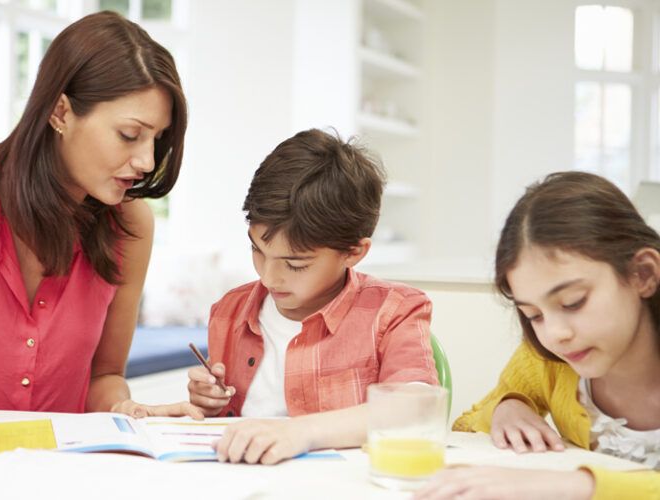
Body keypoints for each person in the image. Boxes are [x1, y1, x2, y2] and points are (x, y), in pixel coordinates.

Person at [0, 11, 203, 452]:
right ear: (61, 111)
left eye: (157, 139)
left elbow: (104, 377)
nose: (147, 162)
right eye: (130, 134)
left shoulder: (130, 227)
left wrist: (127, 412)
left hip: (64, 475)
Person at [187, 128, 438, 464]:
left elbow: (416, 408)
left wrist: (301, 432)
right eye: (257, 250)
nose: (268, 276)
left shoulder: (394, 311)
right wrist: (209, 401)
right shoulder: (229, 311)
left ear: (353, 253)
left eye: (295, 264)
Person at [416, 172, 660, 499]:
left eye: (573, 303)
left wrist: (577, 485)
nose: (556, 334)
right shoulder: (548, 362)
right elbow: (468, 422)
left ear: (642, 274)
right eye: (534, 315)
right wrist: (507, 407)